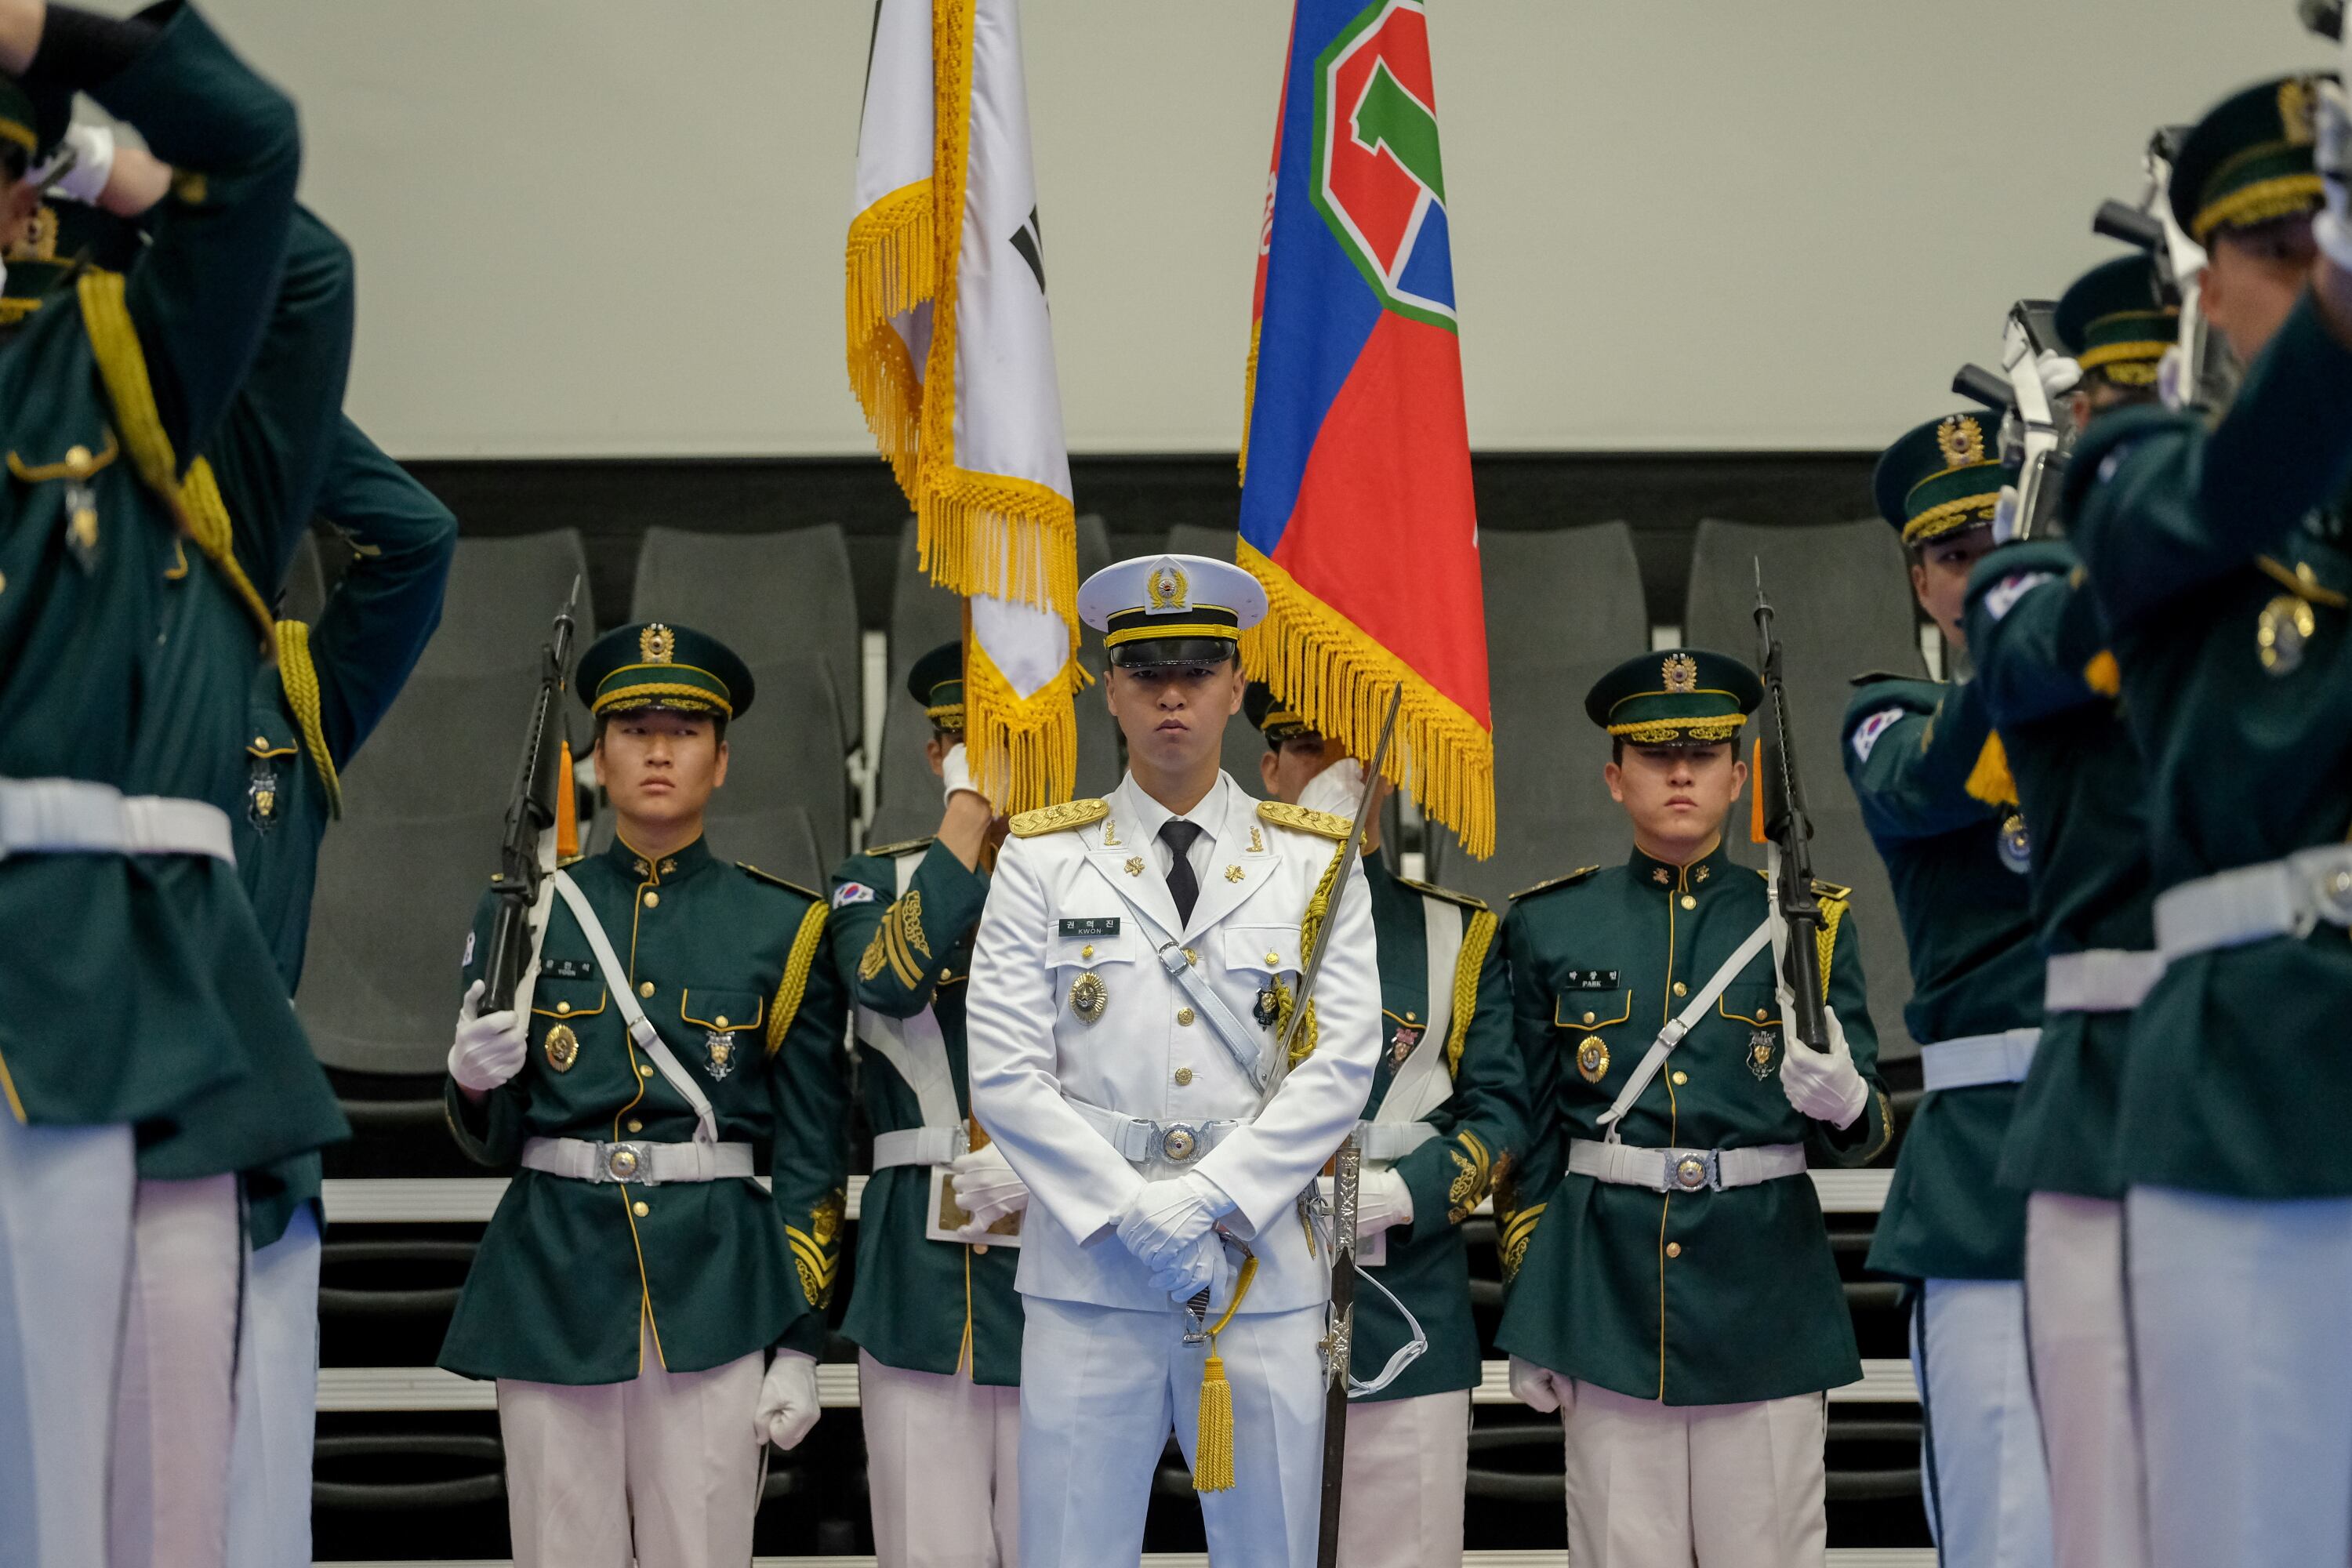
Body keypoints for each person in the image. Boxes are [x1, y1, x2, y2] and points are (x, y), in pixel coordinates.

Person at [0, 8, 327, 1561]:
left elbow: (260, 169)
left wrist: (50, 47)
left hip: (105, 955)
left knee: (140, 1481)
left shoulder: (96, 364)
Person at [2063, 72, 2352, 1568]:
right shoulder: (2139, 473)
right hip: (2255, 1085)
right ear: (2210, 279)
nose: (2311, 283)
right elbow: (2246, 481)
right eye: (2288, 254)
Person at [964, 554, 1381, 1568]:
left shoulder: (1315, 858)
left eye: (1196, 674)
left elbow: (1344, 1060)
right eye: (1147, 675)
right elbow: (1006, 1075)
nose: (1172, 699)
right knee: (1070, 1550)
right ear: (1110, 689)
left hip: (1259, 1270)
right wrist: (1135, 1211)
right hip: (1090, 1277)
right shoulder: (1041, 859)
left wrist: (1208, 1200)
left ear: (1238, 687)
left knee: (1273, 1551)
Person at [440, 622, 852, 1568]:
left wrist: (798, 1337)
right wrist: (470, 1078)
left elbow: (812, 1149)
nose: (658, 750)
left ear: (721, 759)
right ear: (595, 755)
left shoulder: (784, 926)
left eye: (685, 730)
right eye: (631, 728)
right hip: (553, 1285)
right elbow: (495, 1132)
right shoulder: (531, 907)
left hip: (715, 1291)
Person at [1496, 649, 1891, 1567]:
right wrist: (1536, 1297)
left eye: (1707, 753)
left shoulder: (1806, 919)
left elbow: (1865, 1131)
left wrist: (1845, 1095)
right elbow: (1529, 1131)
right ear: (1614, 775)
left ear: (1740, 774)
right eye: (1654, 754)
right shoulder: (1550, 925)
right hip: (1606, 1299)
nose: (1681, 772)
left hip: (1765, 1297)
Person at [1958, 254, 2172, 1568]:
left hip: (2283, 1061)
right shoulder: (2026, 585)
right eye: (2119, 400)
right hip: (2108, 1087)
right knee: (2093, 1514)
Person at [219, 418, 457, 1568]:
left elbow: (417, 538)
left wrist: (263, 388)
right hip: (73, 1127)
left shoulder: (291, 704)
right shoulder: (57, 682)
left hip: (248, 1161)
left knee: (253, 1503)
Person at [1240, 681, 1525, 1568]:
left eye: (1357, 752)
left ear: (1389, 771)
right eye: (1311, 750)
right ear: (1270, 767)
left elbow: (1505, 1109)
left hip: (1410, 1298)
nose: (1338, 772)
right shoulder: (1216, 926)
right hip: (1251, 1299)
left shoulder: (1455, 934)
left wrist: (1413, 1189)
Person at [1846, 412, 2050, 1568]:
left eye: (2006, 543)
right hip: (1990, 1160)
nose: (1985, 577)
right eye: (1963, 557)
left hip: (2149, 1123)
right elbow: (1930, 790)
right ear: (1922, 580)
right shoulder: (1893, 716)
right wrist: (2044, 602)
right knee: (2006, 1517)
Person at [829, 641, 1029, 1568]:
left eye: (1007, 740)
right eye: (962, 740)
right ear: (935, 754)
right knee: (926, 1549)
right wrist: (969, 812)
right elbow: (886, 980)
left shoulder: (1103, 873)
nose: (985, 756)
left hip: (1068, 1266)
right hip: (918, 1277)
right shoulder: (875, 880)